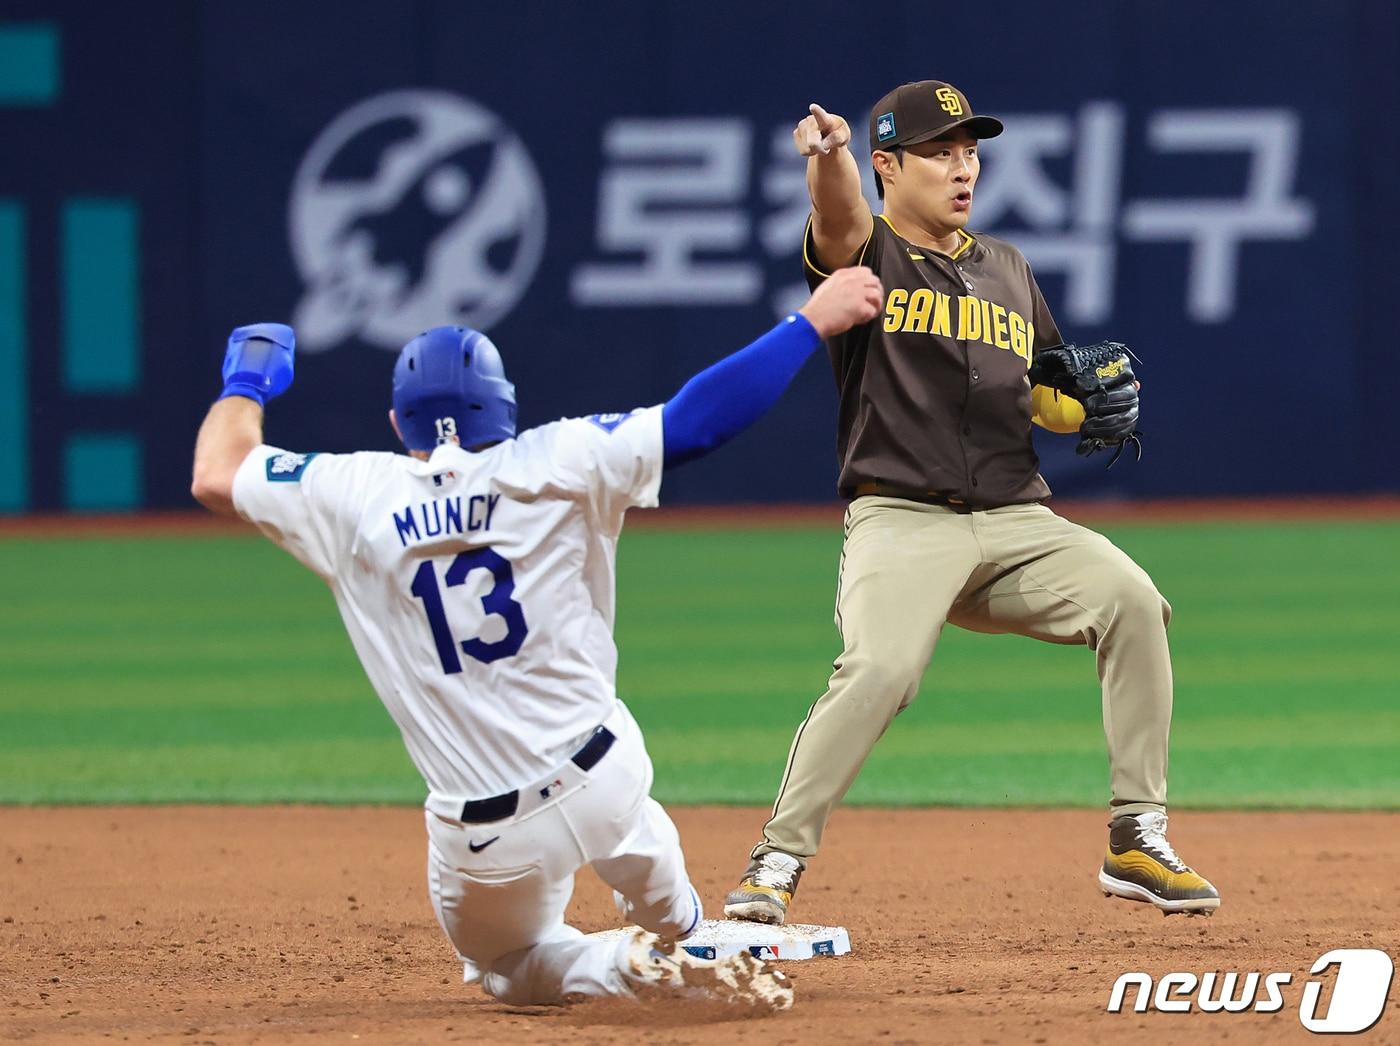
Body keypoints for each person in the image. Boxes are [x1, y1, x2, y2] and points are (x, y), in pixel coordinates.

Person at [189, 266, 883, 1009]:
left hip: (488, 839)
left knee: (510, 966)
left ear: (399, 426)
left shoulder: (352, 494)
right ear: (505, 408)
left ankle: (617, 966)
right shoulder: (562, 457)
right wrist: (809, 321)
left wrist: (249, 380)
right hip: (606, 779)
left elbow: (216, 473)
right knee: (634, 827)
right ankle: (678, 925)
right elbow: (697, 422)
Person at [722, 80, 1220, 926]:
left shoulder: (1008, 270)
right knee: (880, 670)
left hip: (1017, 520)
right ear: (889, 164)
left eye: (970, 150)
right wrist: (831, 159)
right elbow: (838, 217)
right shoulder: (869, 252)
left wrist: (1081, 403)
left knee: (1135, 602)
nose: (964, 168)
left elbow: (1048, 389)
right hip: (903, 519)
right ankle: (776, 859)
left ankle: (1137, 836)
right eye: (940, 152)